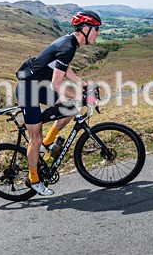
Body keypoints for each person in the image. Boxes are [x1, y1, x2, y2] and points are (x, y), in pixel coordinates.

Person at [15, 10, 101, 196]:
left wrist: (84, 85)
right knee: (35, 138)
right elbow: (56, 84)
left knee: (70, 109)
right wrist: (80, 95)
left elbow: (64, 68)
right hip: (28, 91)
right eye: (96, 29)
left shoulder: (70, 43)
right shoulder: (67, 47)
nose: (98, 33)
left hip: (40, 86)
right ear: (86, 29)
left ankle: (47, 144)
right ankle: (34, 179)